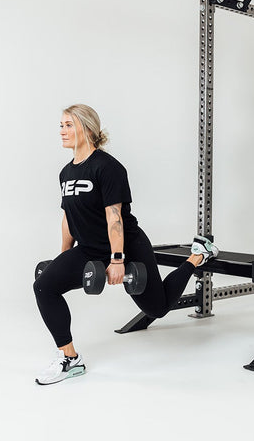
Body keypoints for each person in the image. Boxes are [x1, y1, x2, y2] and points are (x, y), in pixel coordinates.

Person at [32, 104, 218, 385]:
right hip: (89, 248)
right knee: (44, 286)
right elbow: (68, 218)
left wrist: (117, 259)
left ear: (88, 128)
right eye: (61, 125)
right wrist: (63, 257)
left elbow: (114, 216)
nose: (62, 131)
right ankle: (70, 359)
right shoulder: (66, 173)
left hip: (127, 244)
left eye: (69, 125)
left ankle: (197, 257)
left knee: (157, 308)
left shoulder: (108, 168)